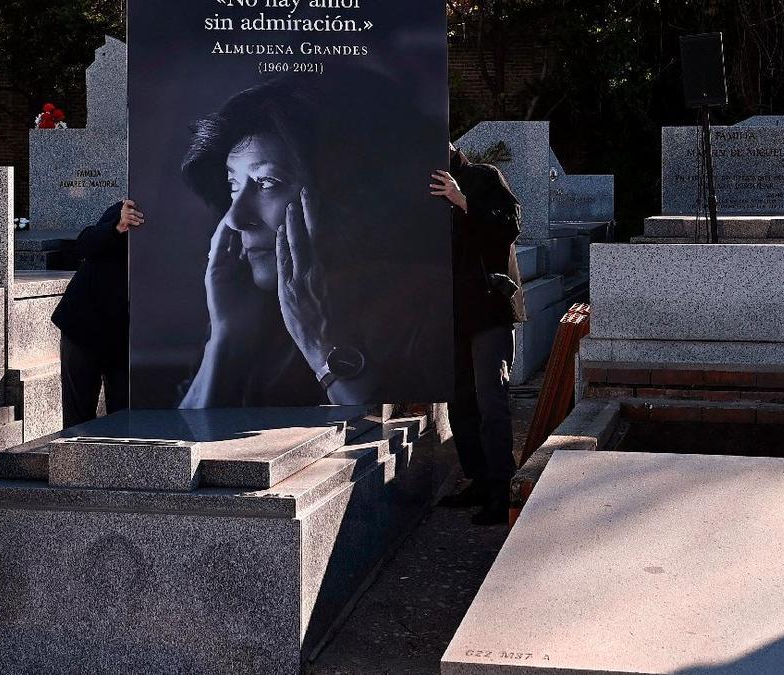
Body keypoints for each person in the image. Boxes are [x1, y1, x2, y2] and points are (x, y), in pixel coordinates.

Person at [178, 70, 443, 408]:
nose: (235, 217)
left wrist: (320, 342)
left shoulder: (426, 306)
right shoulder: (251, 307)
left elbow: (405, 442)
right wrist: (224, 337)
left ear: (343, 192)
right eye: (233, 185)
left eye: (267, 182)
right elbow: (181, 437)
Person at [432, 144, 527, 525]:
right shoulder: (422, 186)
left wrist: (461, 199)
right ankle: (479, 480)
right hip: (450, 313)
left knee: (491, 402)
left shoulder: (484, 176)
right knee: (461, 402)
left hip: (489, 309)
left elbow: (510, 225)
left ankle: (502, 490)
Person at [52, 199, 143, 427]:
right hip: (84, 328)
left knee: (122, 418)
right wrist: (118, 226)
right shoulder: (128, 208)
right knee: (77, 419)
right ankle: (73, 461)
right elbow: (84, 244)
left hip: (125, 338)